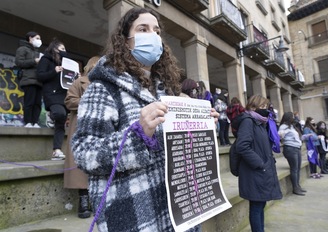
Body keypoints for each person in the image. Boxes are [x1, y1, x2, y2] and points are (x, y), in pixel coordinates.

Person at [71, 7, 218, 232]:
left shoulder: (167, 90)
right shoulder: (102, 89)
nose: (153, 36)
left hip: (179, 212)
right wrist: (138, 134)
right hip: (134, 216)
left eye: (157, 31)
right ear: (125, 41)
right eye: (143, 29)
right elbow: (84, 153)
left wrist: (202, 127)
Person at [234, 95, 282, 232]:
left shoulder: (260, 123)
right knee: (256, 207)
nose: (265, 110)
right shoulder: (248, 122)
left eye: (266, 107)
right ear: (253, 107)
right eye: (262, 107)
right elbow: (242, 146)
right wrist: (260, 164)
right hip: (255, 172)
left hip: (261, 172)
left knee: (260, 205)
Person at [63, 56, 100, 219]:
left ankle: (98, 200)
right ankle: (84, 201)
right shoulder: (80, 82)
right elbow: (69, 101)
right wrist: (89, 101)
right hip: (82, 128)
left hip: (101, 129)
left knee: (99, 163)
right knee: (81, 167)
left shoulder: (106, 84)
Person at [37, 38, 69, 160]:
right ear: (54, 49)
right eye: (62, 49)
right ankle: (51, 114)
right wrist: (54, 71)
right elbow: (40, 76)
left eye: (65, 49)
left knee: (61, 123)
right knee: (59, 114)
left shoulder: (66, 62)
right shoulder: (45, 60)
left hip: (63, 94)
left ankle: (56, 150)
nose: (64, 51)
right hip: (51, 93)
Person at [15, 31, 43, 128]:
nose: (39, 41)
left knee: (37, 103)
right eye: (37, 38)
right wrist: (34, 61)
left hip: (39, 81)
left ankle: (35, 122)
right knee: (29, 102)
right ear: (30, 38)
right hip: (28, 80)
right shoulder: (22, 49)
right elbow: (19, 62)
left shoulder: (37, 52)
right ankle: (28, 122)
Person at [278, 112, 307, 196]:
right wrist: (282, 134)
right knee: (294, 169)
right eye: (293, 117)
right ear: (289, 117)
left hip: (297, 148)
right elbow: (280, 136)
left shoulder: (292, 126)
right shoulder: (283, 126)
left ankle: (298, 186)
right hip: (290, 148)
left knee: (297, 168)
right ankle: (295, 188)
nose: (294, 118)